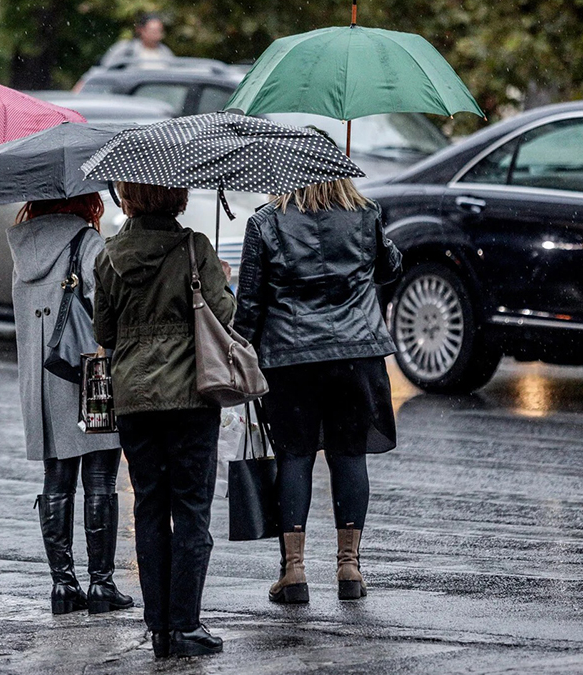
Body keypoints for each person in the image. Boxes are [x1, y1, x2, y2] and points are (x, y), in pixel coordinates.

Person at [233, 177, 402, 606]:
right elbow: (389, 269)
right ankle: (349, 567)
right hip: (356, 354)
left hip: (291, 359)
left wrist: (239, 354)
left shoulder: (266, 222)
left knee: (295, 457)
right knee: (349, 455)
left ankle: (293, 572)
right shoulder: (366, 214)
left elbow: (250, 301)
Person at [93, 182, 233, 658]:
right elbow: (224, 315)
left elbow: (104, 331)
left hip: (134, 398)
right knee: (191, 508)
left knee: (149, 506)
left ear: (127, 197)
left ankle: (159, 628)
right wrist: (221, 280)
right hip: (191, 394)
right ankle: (186, 625)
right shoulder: (195, 247)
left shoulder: (108, 256)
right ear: (177, 195)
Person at [7, 194, 134, 616]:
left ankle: (63, 585)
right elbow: (107, 311)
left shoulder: (22, 248)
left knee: (57, 480)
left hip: (42, 377)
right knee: (100, 480)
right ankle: (101, 584)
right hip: (88, 373)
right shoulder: (87, 243)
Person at [100, 13, 174, 67]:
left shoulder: (166, 52)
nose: (156, 34)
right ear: (141, 30)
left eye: (159, 30)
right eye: (153, 31)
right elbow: (105, 68)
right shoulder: (126, 49)